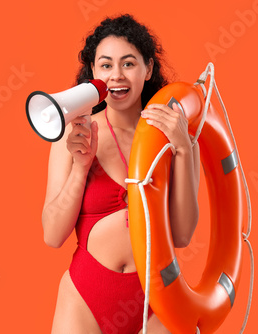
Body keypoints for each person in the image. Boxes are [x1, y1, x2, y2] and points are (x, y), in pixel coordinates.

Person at [42, 14, 200, 334]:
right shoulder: (72, 136)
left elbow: (182, 236)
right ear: (94, 73)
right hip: (86, 299)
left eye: (128, 64)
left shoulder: (176, 136)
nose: (116, 76)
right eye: (105, 65)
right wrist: (81, 167)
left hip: (159, 299)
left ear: (148, 69)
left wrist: (183, 149)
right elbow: (52, 235)